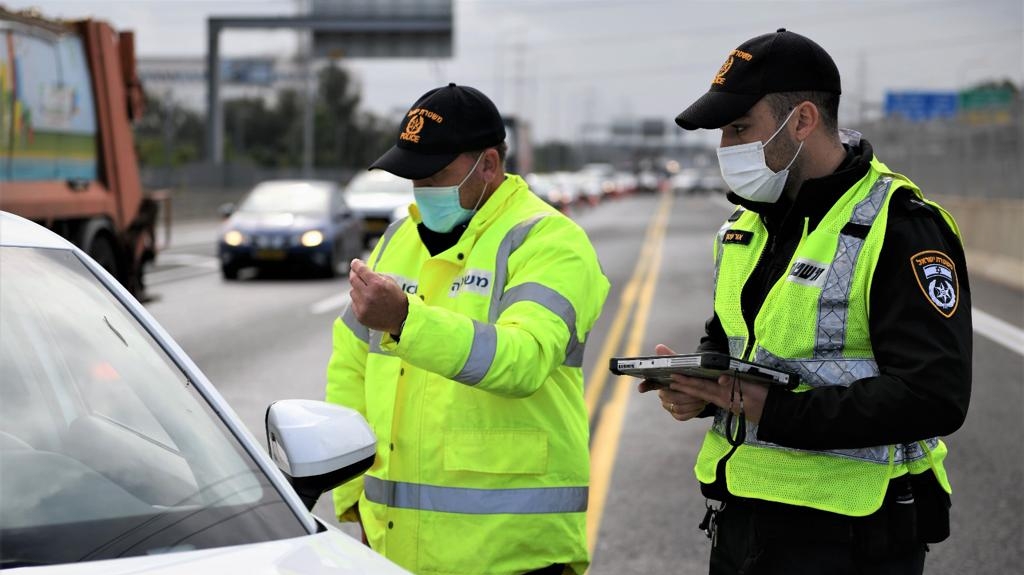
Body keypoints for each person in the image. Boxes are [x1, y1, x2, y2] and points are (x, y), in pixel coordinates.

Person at [639, 29, 972, 574]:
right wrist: (701, 387)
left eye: (739, 129)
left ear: (802, 121)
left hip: (852, 537)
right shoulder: (746, 225)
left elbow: (934, 396)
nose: (726, 148)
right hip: (742, 522)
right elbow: (733, 340)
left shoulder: (901, 226)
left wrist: (774, 410)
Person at [326, 83, 609, 575]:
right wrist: (354, 501)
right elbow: (350, 368)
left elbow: (524, 360)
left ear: (489, 165)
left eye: (435, 174)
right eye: (413, 175)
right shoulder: (398, 239)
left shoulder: (550, 241)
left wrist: (405, 320)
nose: (422, 188)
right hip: (392, 549)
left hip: (511, 554)